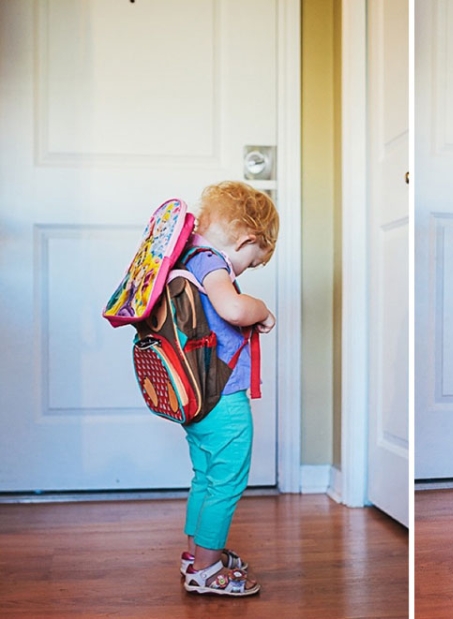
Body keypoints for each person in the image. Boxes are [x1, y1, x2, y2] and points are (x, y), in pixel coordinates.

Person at [178, 181, 279, 596]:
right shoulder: (213, 264)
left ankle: (195, 553)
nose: (244, 271)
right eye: (251, 263)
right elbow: (234, 309)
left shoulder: (186, 257)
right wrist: (262, 310)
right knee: (227, 480)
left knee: (204, 475)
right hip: (222, 398)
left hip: (195, 396)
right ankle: (205, 570)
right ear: (246, 239)